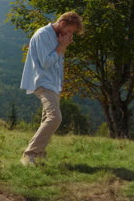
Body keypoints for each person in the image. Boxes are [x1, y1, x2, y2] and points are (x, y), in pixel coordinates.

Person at [19, 11, 83, 166]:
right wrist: (61, 47)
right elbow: (46, 63)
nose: (69, 35)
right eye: (69, 30)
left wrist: (61, 46)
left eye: (72, 33)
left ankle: (39, 154)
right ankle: (29, 154)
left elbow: (56, 62)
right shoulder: (43, 35)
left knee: (46, 119)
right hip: (42, 82)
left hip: (53, 84)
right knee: (55, 117)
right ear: (62, 23)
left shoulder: (57, 36)